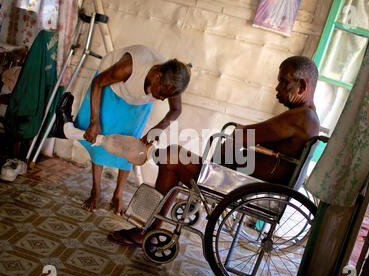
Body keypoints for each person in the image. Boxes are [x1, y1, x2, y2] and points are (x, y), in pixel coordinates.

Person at [108, 55, 321, 248]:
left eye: (284, 82)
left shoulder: (300, 117)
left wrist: (237, 138)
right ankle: (152, 230)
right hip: (246, 181)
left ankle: (151, 230)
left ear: (301, 86)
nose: (277, 87)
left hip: (241, 185)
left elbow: (241, 137)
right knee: (172, 158)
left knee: (172, 155)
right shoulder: (308, 118)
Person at [61, 45, 191, 215]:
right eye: (161, 93)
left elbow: (176, 110)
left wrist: (157, 129)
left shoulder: (173, 80)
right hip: (110, 90)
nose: (161, 99)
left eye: (165, 97)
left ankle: (118, 195)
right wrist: (94, 121)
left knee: (131, 147)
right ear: (158, 76)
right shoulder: (130, 66)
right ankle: (96, 191)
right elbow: (98, 82)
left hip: (137, 103)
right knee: (100, 138)